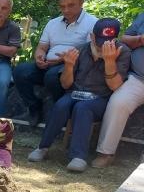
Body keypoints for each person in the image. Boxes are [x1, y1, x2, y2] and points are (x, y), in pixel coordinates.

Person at [27, 18, 131, 173]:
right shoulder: (81, 49)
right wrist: (68, 66)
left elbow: (115, 86)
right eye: (99, 41)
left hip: (100, 98)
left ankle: (78, 156)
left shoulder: (122, 51)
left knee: (83, 108)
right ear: (92, 36)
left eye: (107, 41)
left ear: (114, 38)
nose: (102, 45)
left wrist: (110, 61)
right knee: (61, 105)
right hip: (75, 92)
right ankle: (43, 147)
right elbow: (65, 84)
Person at [13, 0, 98, 125]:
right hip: (48, 64)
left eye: (71, 5)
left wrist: (63, 59)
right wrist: (39, 57)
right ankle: (34, 107)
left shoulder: (92, 23)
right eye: (62, 6)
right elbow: (41, 47)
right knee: (20, 71)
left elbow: (90, 53)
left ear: (82, 3)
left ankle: (61, 111)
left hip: (72, 67)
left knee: (51, 77)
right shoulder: (53, 23)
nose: (66, 10)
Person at [92, 12, 144, 168]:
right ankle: (106, 153)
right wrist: (141, 39)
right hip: (138, 78)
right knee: (118, 102)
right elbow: (125, 39)